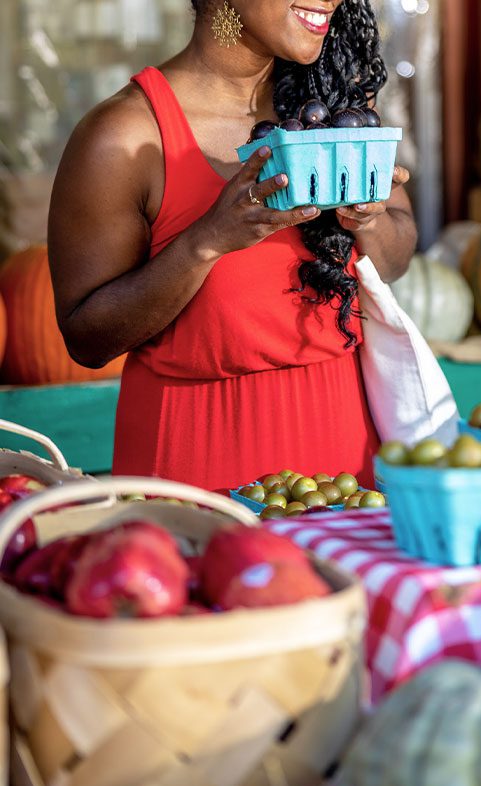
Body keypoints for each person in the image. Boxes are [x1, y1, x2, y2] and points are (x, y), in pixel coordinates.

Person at [47, 0, 417, 491]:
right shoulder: (124, 137)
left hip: (345, 471)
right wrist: (206, 241)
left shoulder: (331, 110)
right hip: (195, 471)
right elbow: (86, 340)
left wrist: (365, 218)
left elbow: (396, 256)